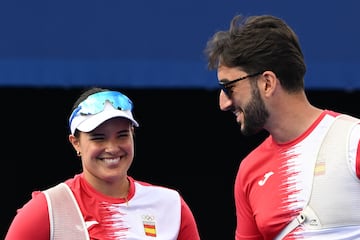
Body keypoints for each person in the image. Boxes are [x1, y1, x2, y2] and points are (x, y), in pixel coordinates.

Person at [204, 14, 360, 239]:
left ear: (267, 83)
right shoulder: (249, 171)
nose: (223, 103)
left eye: (229, 87)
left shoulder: (353, 141)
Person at [5, 87, 201, 240]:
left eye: (122, 135)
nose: (112, 147)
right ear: (76, 143)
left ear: (133, 134)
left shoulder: (170, 205)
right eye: (98, 138)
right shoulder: (48, 208)